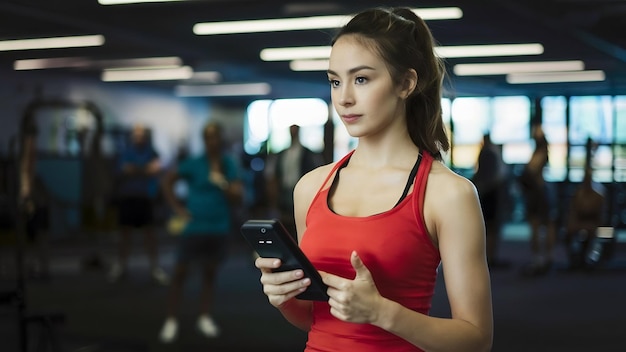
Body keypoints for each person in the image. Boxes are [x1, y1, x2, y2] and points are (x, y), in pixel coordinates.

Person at [254, 7, 493, 352]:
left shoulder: (447, 194)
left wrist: (382, 313)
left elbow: (477, 340)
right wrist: (285, 299)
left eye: (361, 79)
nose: (344, 97)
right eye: (335, 81)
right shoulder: (311, 186)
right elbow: (315, 319)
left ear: (406, 83)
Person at [158, 122, 243, 343]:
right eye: (208, 137)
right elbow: (167, 181)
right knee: (179, 273)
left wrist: (222, 181)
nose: (212, 141)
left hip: (218, 226)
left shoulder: (228, 164)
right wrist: (178, 209)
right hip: (194, 226)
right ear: (204, 140)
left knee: (209, 273)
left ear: (220, 140)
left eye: (215, 137)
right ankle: (171, 320)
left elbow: (237, 196)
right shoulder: (193, 163)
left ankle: (204, 317)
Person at [108, 124, 169, 284]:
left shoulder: (152, 152)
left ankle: (154, 268)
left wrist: (137, 170)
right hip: (128, 197)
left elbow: (155, 169)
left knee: (150, 234)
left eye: (141, 135)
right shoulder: (126, 152)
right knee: (124, 234)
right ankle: (121, 266)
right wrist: (144, 170)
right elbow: (126, 170)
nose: (138, 137)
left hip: (145, 198)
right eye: (136, 135)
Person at [267, 124, 323, 236]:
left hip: (301, 189)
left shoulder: (307, 153)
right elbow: (276, 175)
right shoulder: (283, 153)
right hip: (285, 190)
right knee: (285, 223)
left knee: (299, 219)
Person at [518, 124, 558, 276]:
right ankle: (542, 258)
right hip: (538, 193)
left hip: (539, 194)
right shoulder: (540, 151)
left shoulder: (541, 152)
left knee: (543, 225)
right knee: (541, 226)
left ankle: (544, 258)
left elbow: (530, 171)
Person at [565, 138, 605, 269]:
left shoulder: (598, 194)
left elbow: (601, 215)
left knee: (590, 232)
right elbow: (573, 211)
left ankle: (587, 258)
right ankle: (576, 259)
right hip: (581, 221)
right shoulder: (579, 193)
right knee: (569, 232)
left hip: (593, 222)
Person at [472, 133, 509, 268]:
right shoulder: (493, 153)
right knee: (491, 227)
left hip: (488, 194)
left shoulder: (486, 154)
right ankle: (490, 257)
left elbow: (482, 175)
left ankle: (488, 257)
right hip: (491, 194)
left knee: (488, 227)